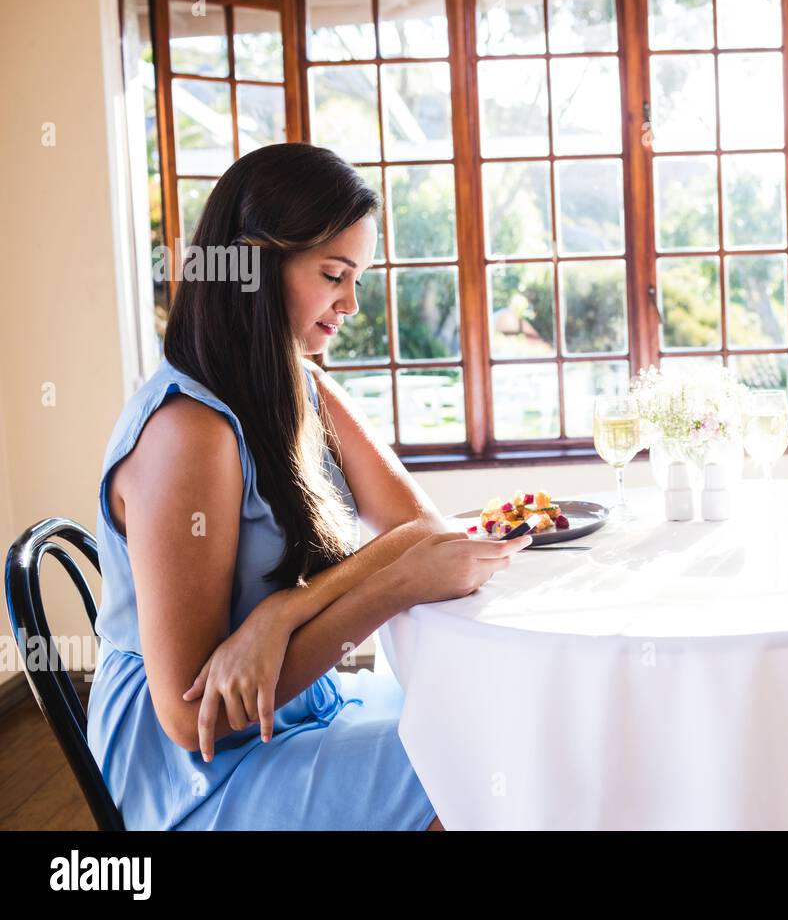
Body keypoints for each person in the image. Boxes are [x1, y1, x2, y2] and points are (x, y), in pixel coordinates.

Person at [87, 142, 529, 830]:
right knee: (481, 756)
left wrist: (283, 612)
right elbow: (191, 715)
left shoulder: (299, 382)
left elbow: (424, 527)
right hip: (199, 774)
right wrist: (394, 587)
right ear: (255, 267)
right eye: (333, 274)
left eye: (357, 277)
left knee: (498, 719)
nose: (351, 303)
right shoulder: (187, 434)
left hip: (296, 713)